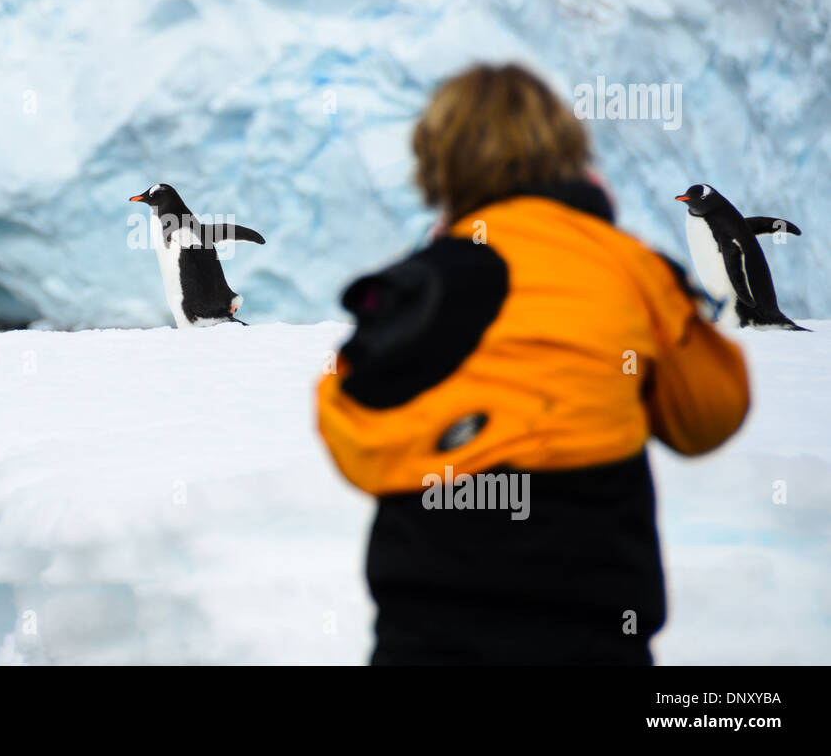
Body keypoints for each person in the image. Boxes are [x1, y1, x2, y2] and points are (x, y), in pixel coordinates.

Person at [316, 63, 750, 665]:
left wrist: (466, 435)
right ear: (567, 152)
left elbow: (352, 435)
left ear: (436, 167)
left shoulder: (418, 286)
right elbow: (712, 413)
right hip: (595, 639)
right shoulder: (630, 268)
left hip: (427, 641)